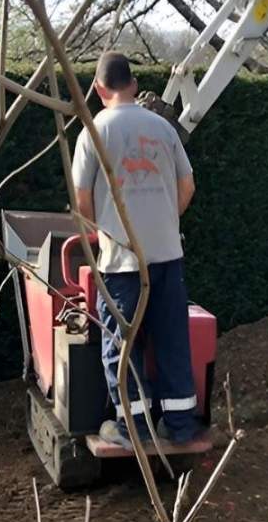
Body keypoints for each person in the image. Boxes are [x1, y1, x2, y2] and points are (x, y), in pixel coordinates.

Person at [72, 51, 199, 447]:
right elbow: (187, 187)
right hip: (167, 256)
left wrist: (101, 233)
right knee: (172, 342)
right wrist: (164, 220)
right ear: (133, 84)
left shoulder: (93, 132)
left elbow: (81, 200)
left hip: (121, 261)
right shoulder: (163, 128)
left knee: (121, 346)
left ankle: (133, 429)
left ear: (98, 88)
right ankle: (180, 428)